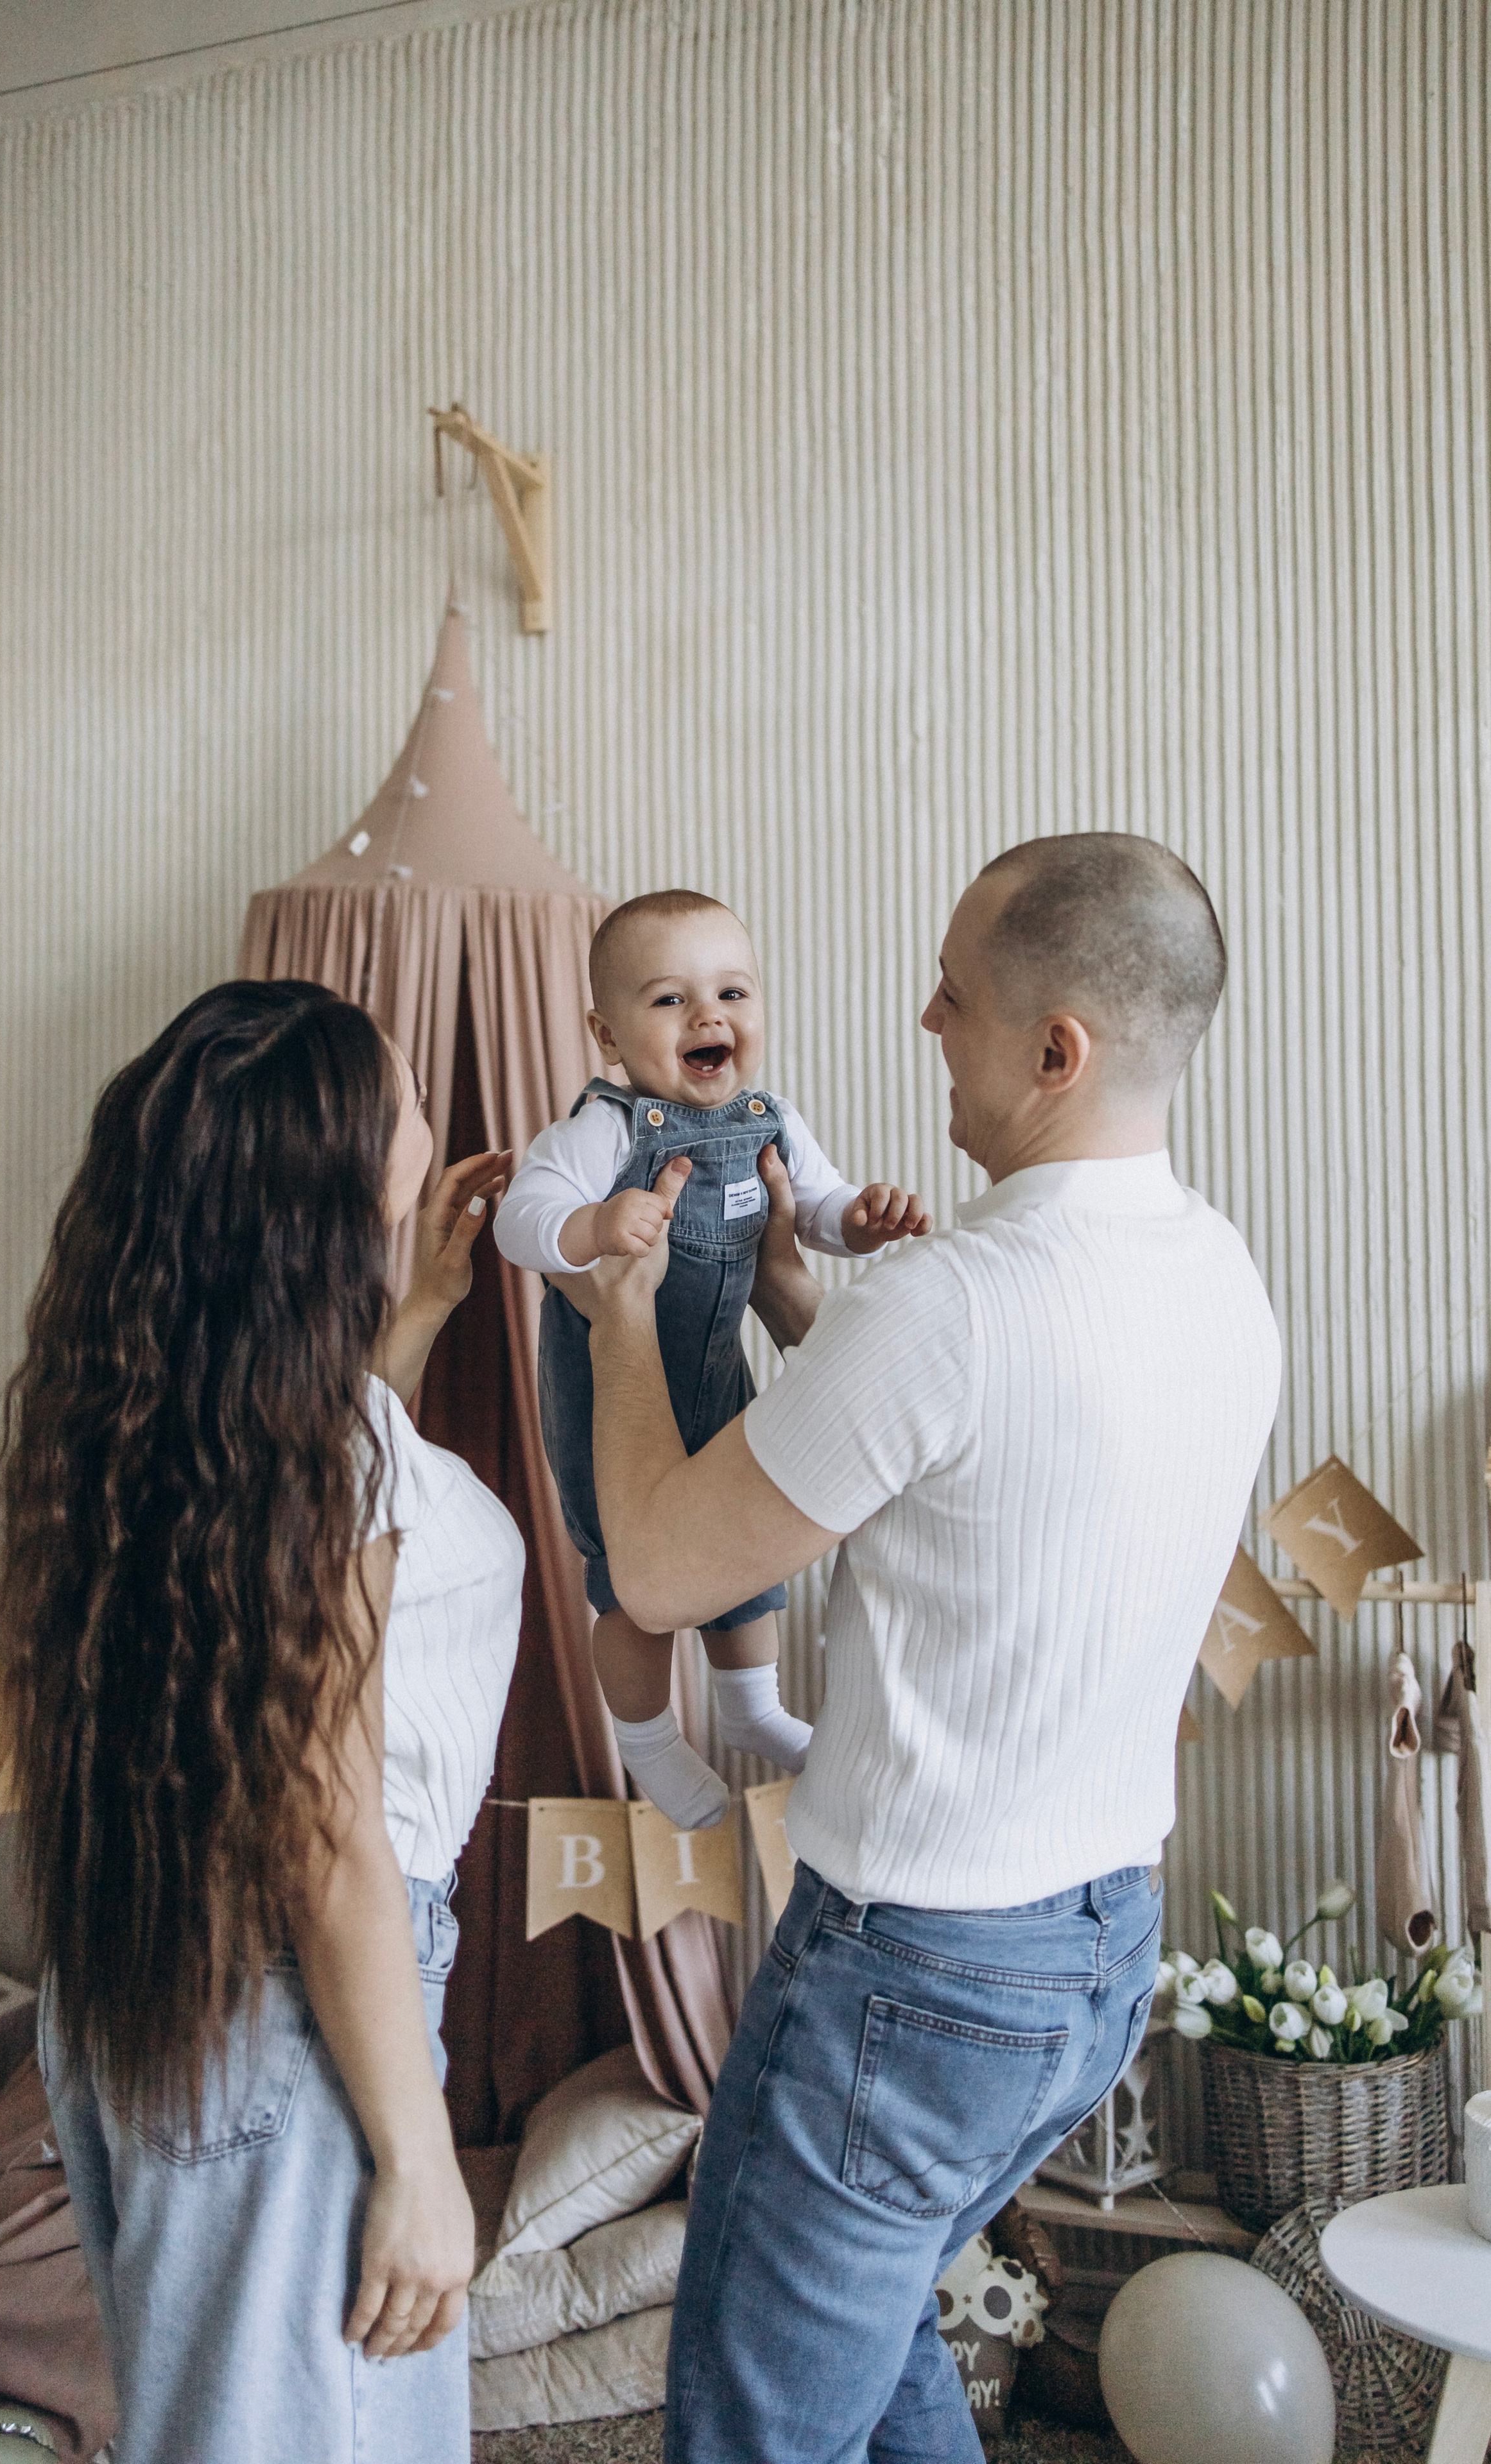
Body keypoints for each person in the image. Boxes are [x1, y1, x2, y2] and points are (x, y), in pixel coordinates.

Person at [552, 835, 1282, 2463]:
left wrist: (620, 1330)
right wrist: (807, 1304)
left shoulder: (948, 1305)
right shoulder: (1217, 1275)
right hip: (1093, 1954)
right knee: (876, 2338)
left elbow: (663, 1566)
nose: (922, 1013)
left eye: (954, 988)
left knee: (755, 2421)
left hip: (914, 1977)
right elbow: (965, 1462)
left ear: (1054, 1050)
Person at [0, 979, 519, 2464]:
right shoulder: (327, 1446)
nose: (431, 1123)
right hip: (301, 2007)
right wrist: (419, 2158)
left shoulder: (196, 1418)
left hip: (164, 1999)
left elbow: (325, 1577)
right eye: (412, 1102)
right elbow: (326, 1824)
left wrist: (408, 1322)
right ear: (347, 1169)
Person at [495, 889, 930, 1832]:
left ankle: (753, 1707)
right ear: (605, 1035)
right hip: (608, 1383)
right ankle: (649, 1743)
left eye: (733, 991)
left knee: (739, 1544)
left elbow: (812, 1209)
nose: (709, 1016)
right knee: (635, 1586)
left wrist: (859, 1222)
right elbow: (517, 1220)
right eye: (669, 1000)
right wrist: (594, 1224)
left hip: (720, 1375)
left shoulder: (771, 1118)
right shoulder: (604, 1131)